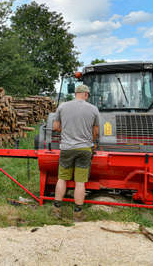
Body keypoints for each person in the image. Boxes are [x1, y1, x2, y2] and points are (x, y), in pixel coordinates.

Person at [52, 84, 99, 221]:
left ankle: (56, 210)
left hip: (66, 148)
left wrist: (66, 132)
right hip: (85, 149)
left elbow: (55, 127)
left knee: (62, 179)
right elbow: (95, 131)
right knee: (80, 182)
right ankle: (77, 214)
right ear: (85, 94)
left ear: (75, 93)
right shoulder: (93, 109)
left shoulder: (62, 106)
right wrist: (93, 142)